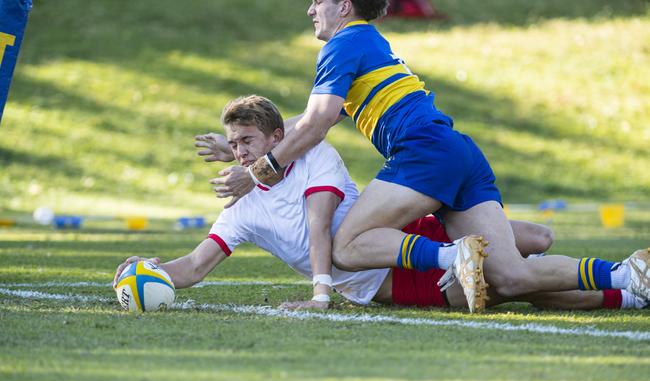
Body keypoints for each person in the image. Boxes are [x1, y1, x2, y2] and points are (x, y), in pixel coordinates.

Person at [209, 0, 650, 312]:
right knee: (511, 276)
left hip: (425, 153)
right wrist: (251, 142)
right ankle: (628, 277)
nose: (310, 9)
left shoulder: (340, 44)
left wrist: (261, 170)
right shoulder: (368, 42)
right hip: (458, 152)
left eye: (318, 0)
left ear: (344, 5)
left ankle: (452, 254)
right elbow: (310, 122)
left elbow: (317, 122)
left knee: (348, 246)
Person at [113, 96, 646, 312]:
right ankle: (627, 288)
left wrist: (320, 295)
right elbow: (196, 266)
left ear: (279, 136)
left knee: (532, 246)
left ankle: (624, 282)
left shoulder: (314, 157)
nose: (239, 153)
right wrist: (150, 269)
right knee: (504, 284)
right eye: (233, 146)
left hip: (407, 234)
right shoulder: (240, 212)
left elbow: (322, 231)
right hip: (390, 278)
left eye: (249, 141)